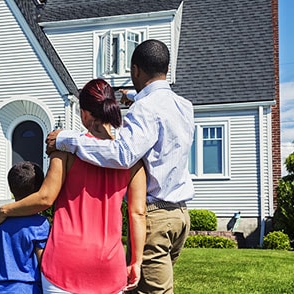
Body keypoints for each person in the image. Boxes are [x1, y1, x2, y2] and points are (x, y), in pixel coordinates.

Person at [46, 39, 195, 294]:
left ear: (135, 70)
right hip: (180, 217)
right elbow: (158, 102)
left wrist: (65, 139)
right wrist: (132, 96)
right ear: (166, 69)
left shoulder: (144, 109)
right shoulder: (184, 106)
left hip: (155, 216)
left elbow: (122, 153)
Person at [0, 79, 147, 294]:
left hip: (64, 264)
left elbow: (45, 199)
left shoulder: (65, 150)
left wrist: (4, 210)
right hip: (110, 267)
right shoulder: (132, 161)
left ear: (84, 114)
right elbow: (138, 213)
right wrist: (136, 261)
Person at [0, 161, 50, 294]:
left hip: (1, 288)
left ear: (11, 189)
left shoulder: (0, 221)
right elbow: (44, 263)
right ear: (39, 190)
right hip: (30, 288)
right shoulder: (40, 224)